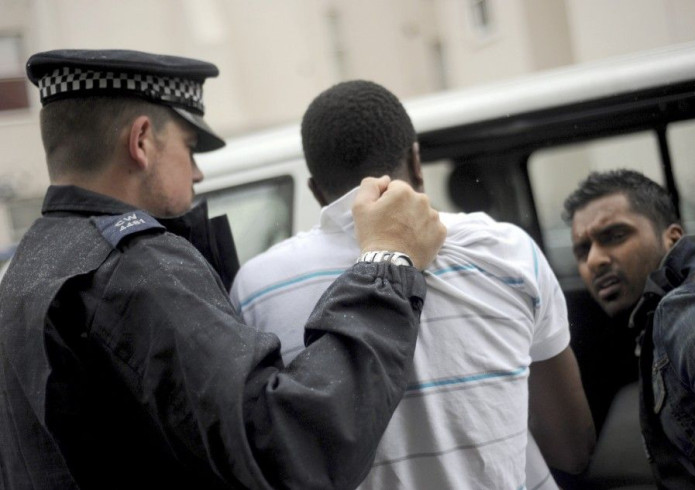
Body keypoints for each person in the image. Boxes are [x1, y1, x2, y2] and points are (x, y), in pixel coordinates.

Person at [0, 49, 446, 490]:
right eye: (190, 148)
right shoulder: (135, 268)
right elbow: (291, 446)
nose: (196, 173)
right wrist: (389, 260)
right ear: (141, 142)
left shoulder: (27, 270)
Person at [230, 80, 595, 489]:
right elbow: (571, 447)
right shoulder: (508, 252)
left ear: (316, 190)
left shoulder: (256, 287)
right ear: (416, 160)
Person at [563, 169, 695, 488]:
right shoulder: (657, 313)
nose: (595, 260)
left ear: (672, 237)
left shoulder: (689, 310)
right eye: (582, 250)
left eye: (614, 236)